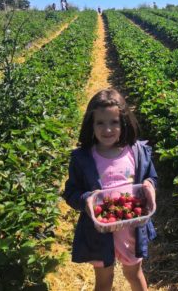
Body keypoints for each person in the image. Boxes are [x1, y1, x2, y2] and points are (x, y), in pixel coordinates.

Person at [63, 88, 157, 291]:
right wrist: (87, 200)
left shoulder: (137, 152)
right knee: (104, 280)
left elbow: (151, 177)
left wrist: (149, 186)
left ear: (123, 122)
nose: (107, 130)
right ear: (91, 125)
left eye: (114, 122)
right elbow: (71, 192)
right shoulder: (83, 159)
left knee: (134, 273)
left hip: (131, 229)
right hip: (98, 232)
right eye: (100, 123)